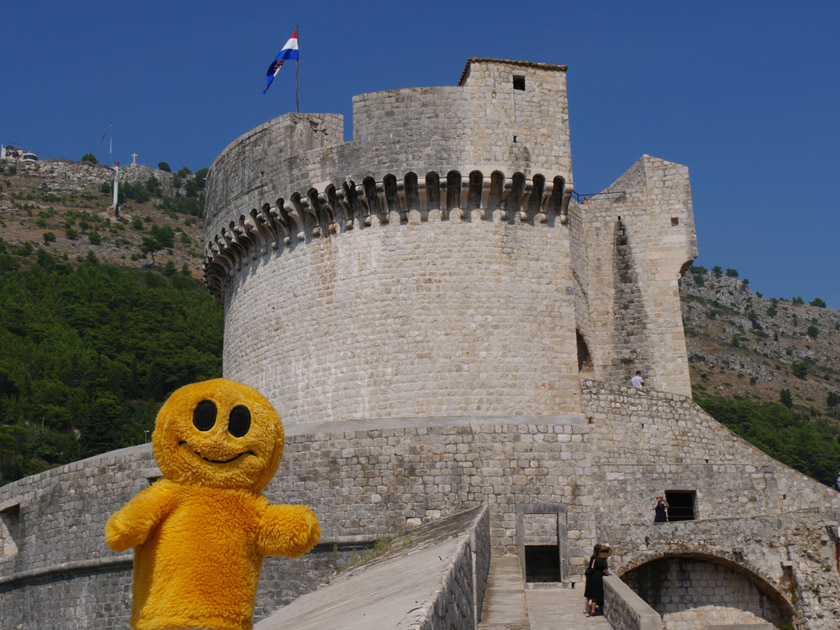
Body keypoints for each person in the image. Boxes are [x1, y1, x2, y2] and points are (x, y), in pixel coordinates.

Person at [584, 543, 611, 616]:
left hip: (592, 577)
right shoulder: (603, 560)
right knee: (596, 594)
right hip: (598, 578)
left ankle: (588, 609)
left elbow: (591, 567)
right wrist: (608, 575)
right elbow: (606, 571)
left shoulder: (594, 558)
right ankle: (593, 610)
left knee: (592, 594)